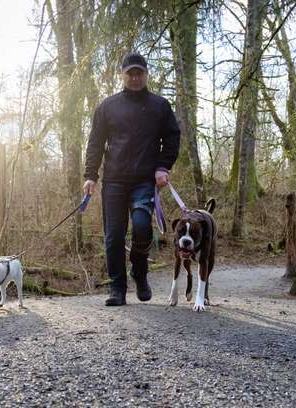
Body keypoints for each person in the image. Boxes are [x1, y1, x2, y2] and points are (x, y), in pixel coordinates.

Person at [83, 52, 181, 306]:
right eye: (130, 73)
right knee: (114, 236)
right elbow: (95, 143)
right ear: (122, 75)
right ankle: (117, 288)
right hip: (114, 181)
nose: (135, 78)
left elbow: (172, 138)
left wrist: (163, 166)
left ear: (146, 75)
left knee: (141, 225)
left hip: (144, 180)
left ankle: (139, 270)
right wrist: (90, 175)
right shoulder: (107, 107)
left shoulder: (160, 106)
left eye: (139, 73)